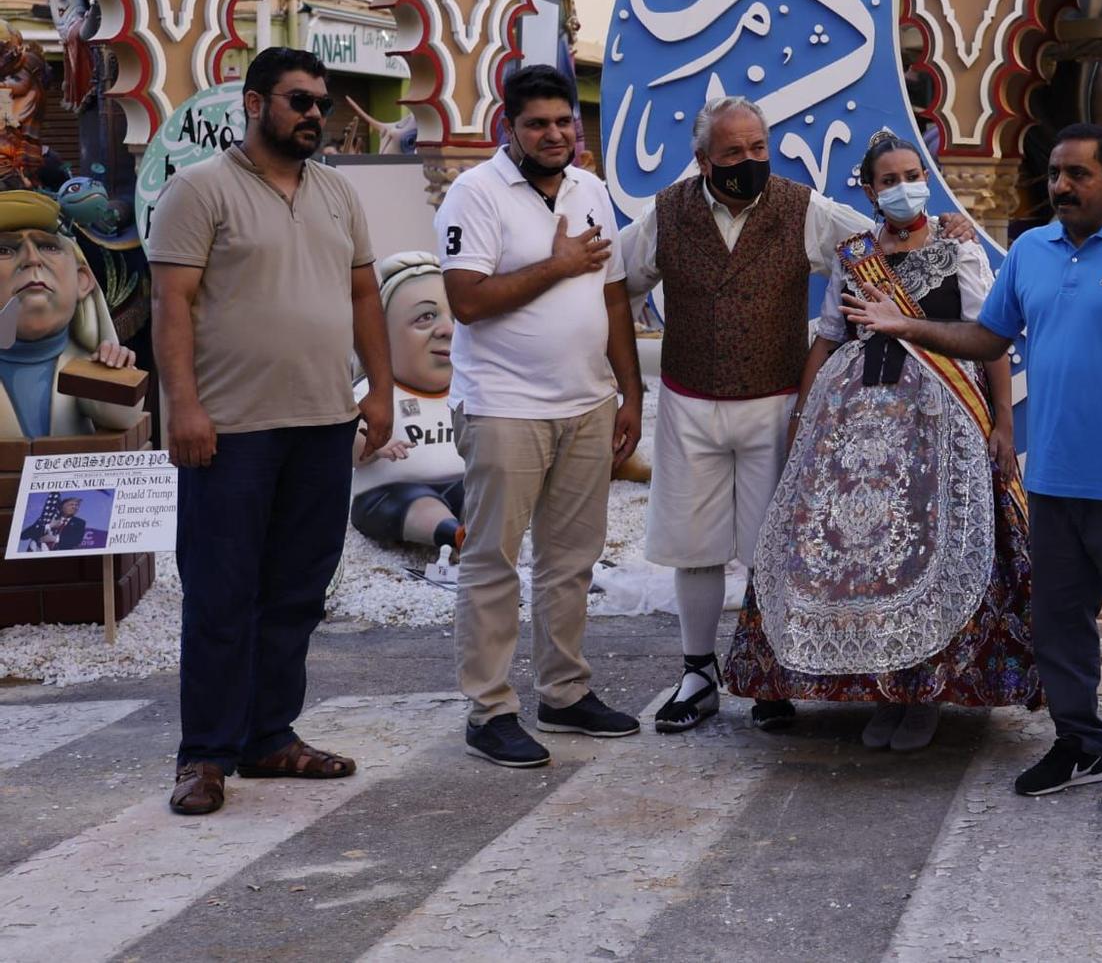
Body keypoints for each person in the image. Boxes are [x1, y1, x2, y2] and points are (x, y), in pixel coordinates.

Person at [845, 123, 1102, 813]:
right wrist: (908, 327)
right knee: (1058, 625)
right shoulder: (1030, 250)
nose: (1061, 186)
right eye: (1055, 172)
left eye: (1079, 174)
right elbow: (987, 335)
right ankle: (1079, 742)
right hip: (1052, 476)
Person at [619, 96, 974, 735]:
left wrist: (948, 227)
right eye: (733, 153)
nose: (749, 162)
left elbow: (885, 238)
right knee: (692, 547)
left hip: (776, 402)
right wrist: (627, 387)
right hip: (687, 400)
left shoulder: (803, 207)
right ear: (703, 159)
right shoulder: (665, 216)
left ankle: (770, 676)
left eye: (759, 149)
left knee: (773, 546)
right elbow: (618, 281)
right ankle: (698, 673)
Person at [723, 130, 1039, 751]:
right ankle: (879, 690)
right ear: (869, 189)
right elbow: (829, 337)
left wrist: (1004, 421)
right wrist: (802, 415)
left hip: (939, 422)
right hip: (857, 425)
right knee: (864, 560)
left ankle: (926, 697)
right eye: (888, 180)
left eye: (911, 175)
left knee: (933, 550)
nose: (902, 188)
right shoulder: (855, 253)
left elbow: (989, 338)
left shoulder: (958, 249)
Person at [148, 46, 394, 817]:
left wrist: (380, 388)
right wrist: (182, 406)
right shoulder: (199, 191)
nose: (314, 114)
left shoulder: (336, 194)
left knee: (295, 591)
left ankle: (269, 735)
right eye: (298, 100)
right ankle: (204, 754)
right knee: (222, 593)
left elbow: (364, 296)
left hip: (323, 424)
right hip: (232, 431)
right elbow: (170, 308)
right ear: (254, 104)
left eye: (320, 101)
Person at [434, 64, 645, 768]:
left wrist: (630, 392)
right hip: (504, 407)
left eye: (564, 122)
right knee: (492, 559)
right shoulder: (475, 194)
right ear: (510, 126)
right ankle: (489, 708)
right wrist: (555, 266)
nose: (554, 134)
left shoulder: (591, 189)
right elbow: (467, 299)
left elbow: (614, 297)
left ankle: (563, 690)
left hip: (587, 403)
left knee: (571, 559)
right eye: (538, 124)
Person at [0, 189, 141, 439]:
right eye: (5, 250)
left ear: (83, 280)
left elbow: (121, 416)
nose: (32, 259)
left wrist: (113, 370)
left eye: (48, 247)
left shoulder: (84, 365)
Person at [349, 252, 462, 554]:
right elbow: (349, 451)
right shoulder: (373, 394)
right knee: (417, 501)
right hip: (389, 495)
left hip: (461, 485)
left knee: (486, 492)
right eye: (425, 317)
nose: (447, 329)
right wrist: (372, 446)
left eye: (455, 317)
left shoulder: (470, 389)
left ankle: (482, 533)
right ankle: (453, 535)